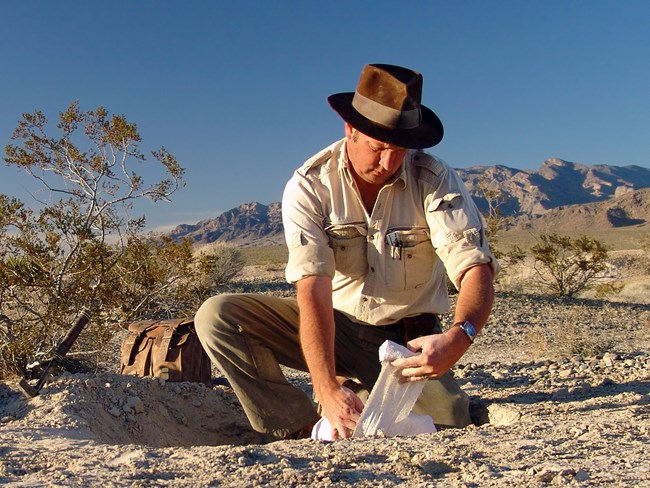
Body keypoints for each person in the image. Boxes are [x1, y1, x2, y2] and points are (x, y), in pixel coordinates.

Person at [195, 63, 498, 442]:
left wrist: (460, 336)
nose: (388, 163)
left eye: (399, 150)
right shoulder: (310, 185)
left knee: (450, 419)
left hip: (406, 341)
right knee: (219, 316)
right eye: (378, 147)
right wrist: (323, 387)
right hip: (335, 326)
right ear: (350, 129)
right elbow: (312, 288)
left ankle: (361, 390)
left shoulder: (434, 179)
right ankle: (301, 424)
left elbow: (473, 267)